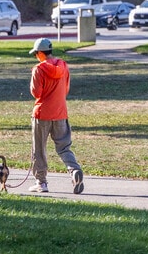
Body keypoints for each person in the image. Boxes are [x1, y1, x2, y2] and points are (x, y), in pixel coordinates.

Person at [27, 37, 84, 194]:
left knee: (39, 149)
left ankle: (41, 182)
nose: (36, 57)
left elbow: (36, 93)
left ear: (40, 53)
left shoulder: (38, 69)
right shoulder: (63, 66)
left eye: (35, 54)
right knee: (64, 147)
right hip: (60, 113)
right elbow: (65, 90)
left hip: (42, 113)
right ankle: (74, 171)